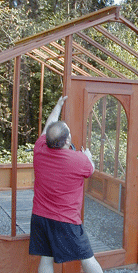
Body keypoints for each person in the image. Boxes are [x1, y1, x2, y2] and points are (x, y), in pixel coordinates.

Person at [29, 96, 103, 273]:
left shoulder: (39, 149)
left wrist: (58, 105)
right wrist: (89, 158)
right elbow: (91, 169)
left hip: (40, 217)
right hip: (65, 221)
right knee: (87, 258)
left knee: (46, 260)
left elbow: (49, 125)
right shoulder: (78, 160)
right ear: (68, 141)